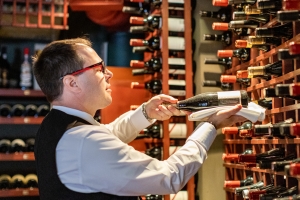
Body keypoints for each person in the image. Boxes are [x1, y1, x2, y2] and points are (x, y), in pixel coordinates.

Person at [32, 37, 246, 200]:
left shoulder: (57, 128)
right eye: (98, 69)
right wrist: (210, 125)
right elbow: (169, 177)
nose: (109, 74)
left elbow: (109, 134)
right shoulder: (83, 142)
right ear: (72, 83)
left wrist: (145, 113)